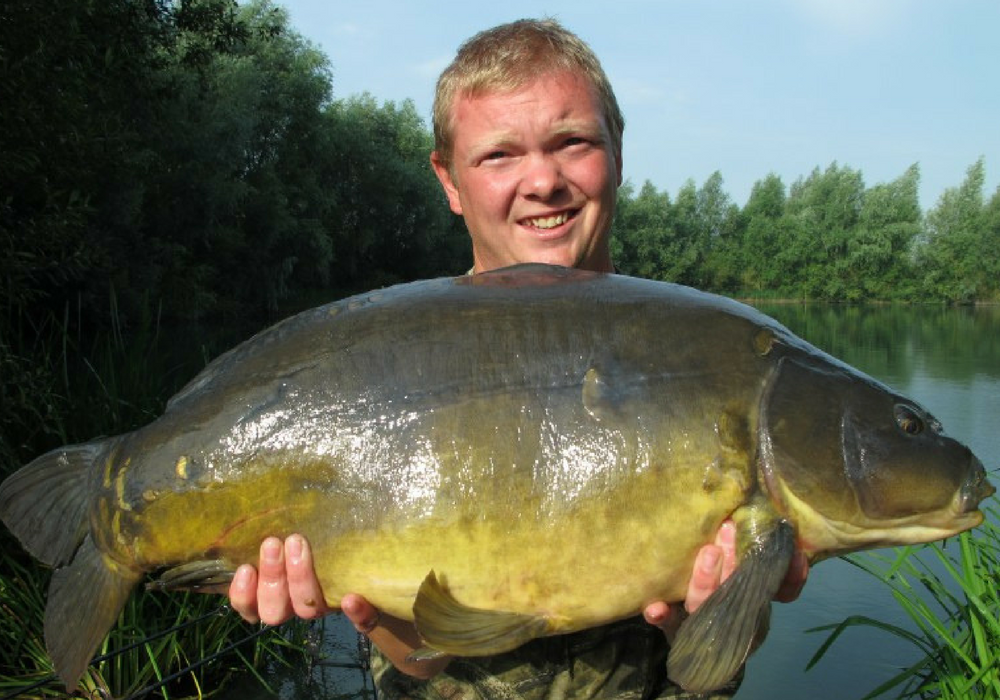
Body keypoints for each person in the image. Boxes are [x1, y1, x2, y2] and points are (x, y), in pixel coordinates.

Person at [228, 18, 809, 699]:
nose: (543, 180)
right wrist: (357, 609)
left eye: (572, 142)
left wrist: (710, 622)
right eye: (500, 155)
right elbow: (419, 662)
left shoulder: (706, 359)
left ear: (617, 150)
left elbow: (710, 671)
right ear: (448, 181)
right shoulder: (392, 363)